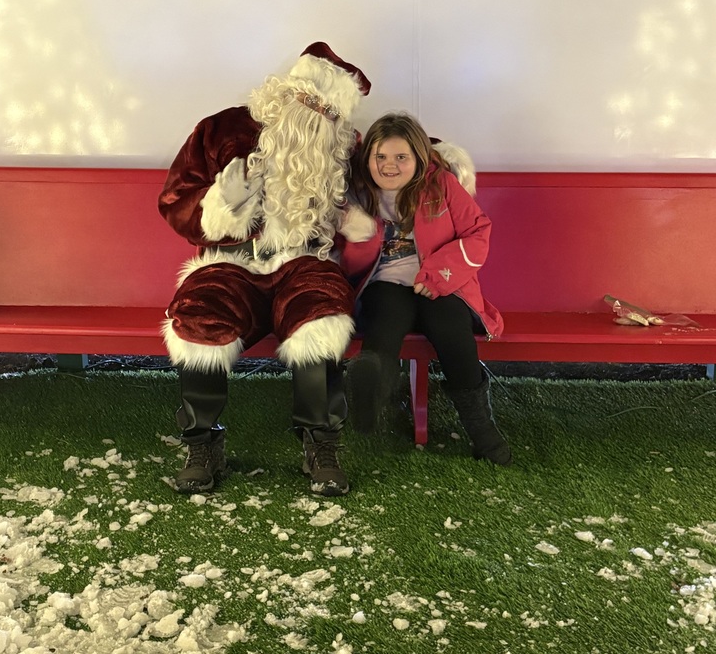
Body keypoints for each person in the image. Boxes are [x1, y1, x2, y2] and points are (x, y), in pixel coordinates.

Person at [158, 42, 371, 497]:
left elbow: (397, 162)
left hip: (305, 260)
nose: (311, 118)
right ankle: (201, 444)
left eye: (324, 113)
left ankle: (321, 444)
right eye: (306, 104)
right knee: (200, 310)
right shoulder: (222, 129)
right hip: (233, 261)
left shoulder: (342, 147)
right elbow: (175, 202)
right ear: (286, 93)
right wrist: (223, 202)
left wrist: (441, 159)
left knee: (321, 311)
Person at [337, 111, 511, 465]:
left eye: (401, 157)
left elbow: (478, 233)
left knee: (450, 326)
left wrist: (440, 274)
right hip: (383, 282)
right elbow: (341, 252)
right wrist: (354, 236)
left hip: (441, 283)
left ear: (418, 158)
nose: (389, 166)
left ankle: (482, 429)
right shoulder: (355, 192)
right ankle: (370, 388)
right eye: (380, 156)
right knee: (385, 317)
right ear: (367, 156)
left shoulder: (441, 185)